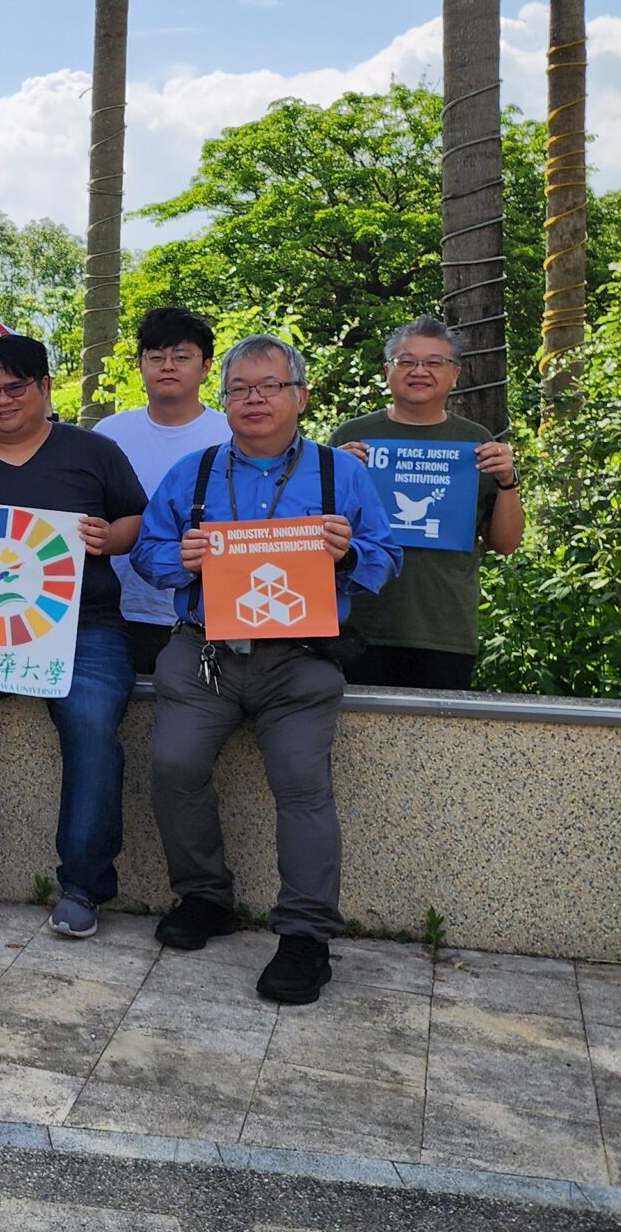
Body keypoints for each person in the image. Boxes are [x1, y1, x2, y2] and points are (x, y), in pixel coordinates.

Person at [129, 334, 400, 1004]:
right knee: (173, 767)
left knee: (303, 784)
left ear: (300, 396)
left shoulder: (341, 474)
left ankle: (306, 936)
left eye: (269, 386)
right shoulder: (192, 473)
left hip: (299, 661)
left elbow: (388, 557)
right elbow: (146, 552)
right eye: (239, 389)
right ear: (223, 403)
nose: (253, 399)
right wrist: (178, 559)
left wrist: (346, 554)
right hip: (205, 654)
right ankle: (205, 896)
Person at [0, 336, 146, 938]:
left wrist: (108, 539)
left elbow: (134, 519)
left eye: (15, 387)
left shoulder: (96, 452)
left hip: (84, 625)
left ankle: (83, 884)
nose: (2, 401)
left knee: (93, 719)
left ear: (45, 387)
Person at [331, 315, 523, 691]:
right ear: (388, 371)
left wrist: (507, 481)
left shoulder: (476, 442)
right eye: (407, 361)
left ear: (455, 375)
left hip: (443, 628)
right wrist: (335, 475)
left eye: (434, 362)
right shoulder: (352, 437)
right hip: (359, 623)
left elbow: (506, 543)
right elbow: (315, 528)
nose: (420, 371)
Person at [95, 308, 230, 679]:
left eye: (181, 357)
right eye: (156, 357)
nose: (167, 366)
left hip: (202, 614)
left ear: (205, 367)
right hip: (118, 609)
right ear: (140, 365)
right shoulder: (108, 433)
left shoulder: (232, 436)